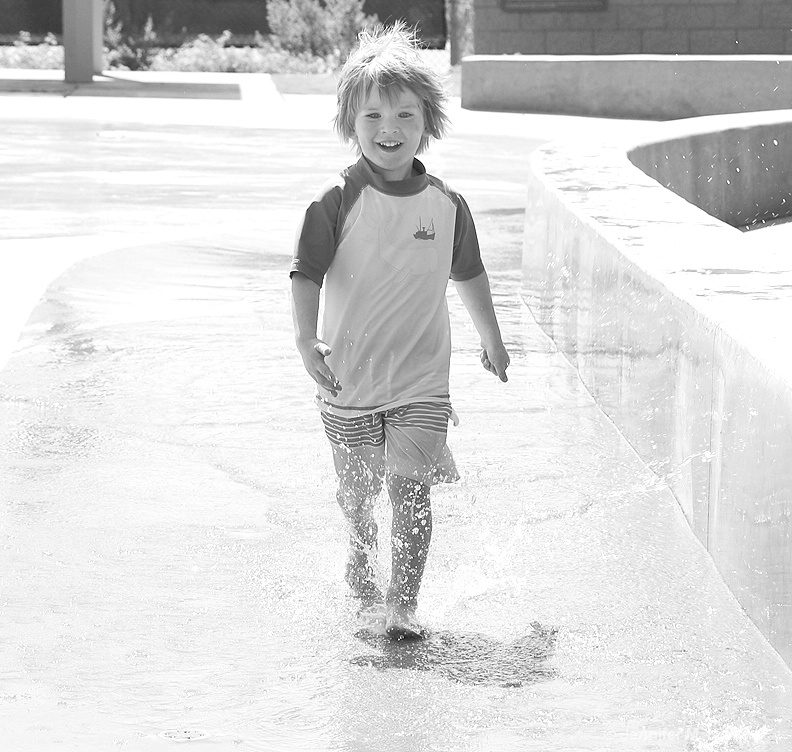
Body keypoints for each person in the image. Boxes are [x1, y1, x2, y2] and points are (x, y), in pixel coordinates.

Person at [290, 22, 510, 640]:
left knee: (411, 494)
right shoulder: (334, 201)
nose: (389, 131)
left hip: (420, 380)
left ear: (427, 123)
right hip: (347, 377)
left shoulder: (446, 204)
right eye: (373, 118)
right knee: (359, 499)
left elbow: (468, 273)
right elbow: (304, 277)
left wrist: (490, 337)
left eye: (405, 116)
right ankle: (360, 554)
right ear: (350, 125)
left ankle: (402, 604)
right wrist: (307, 342)